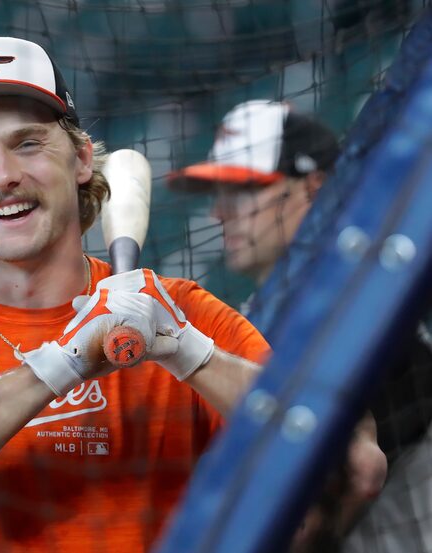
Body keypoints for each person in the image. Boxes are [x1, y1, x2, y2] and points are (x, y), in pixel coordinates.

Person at [0, 38, 315, 552]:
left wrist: (193, 355)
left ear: (81, 159)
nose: (3, 175)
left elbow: (352, 461)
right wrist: (65, 361)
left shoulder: (180, 316)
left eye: (28, 144)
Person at [170, 99, 430, 551]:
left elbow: (356, 478)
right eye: (220, 194)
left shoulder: (362, 291)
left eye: (245, 190)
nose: (219, 213)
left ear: (315, 186)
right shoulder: (267, 313)